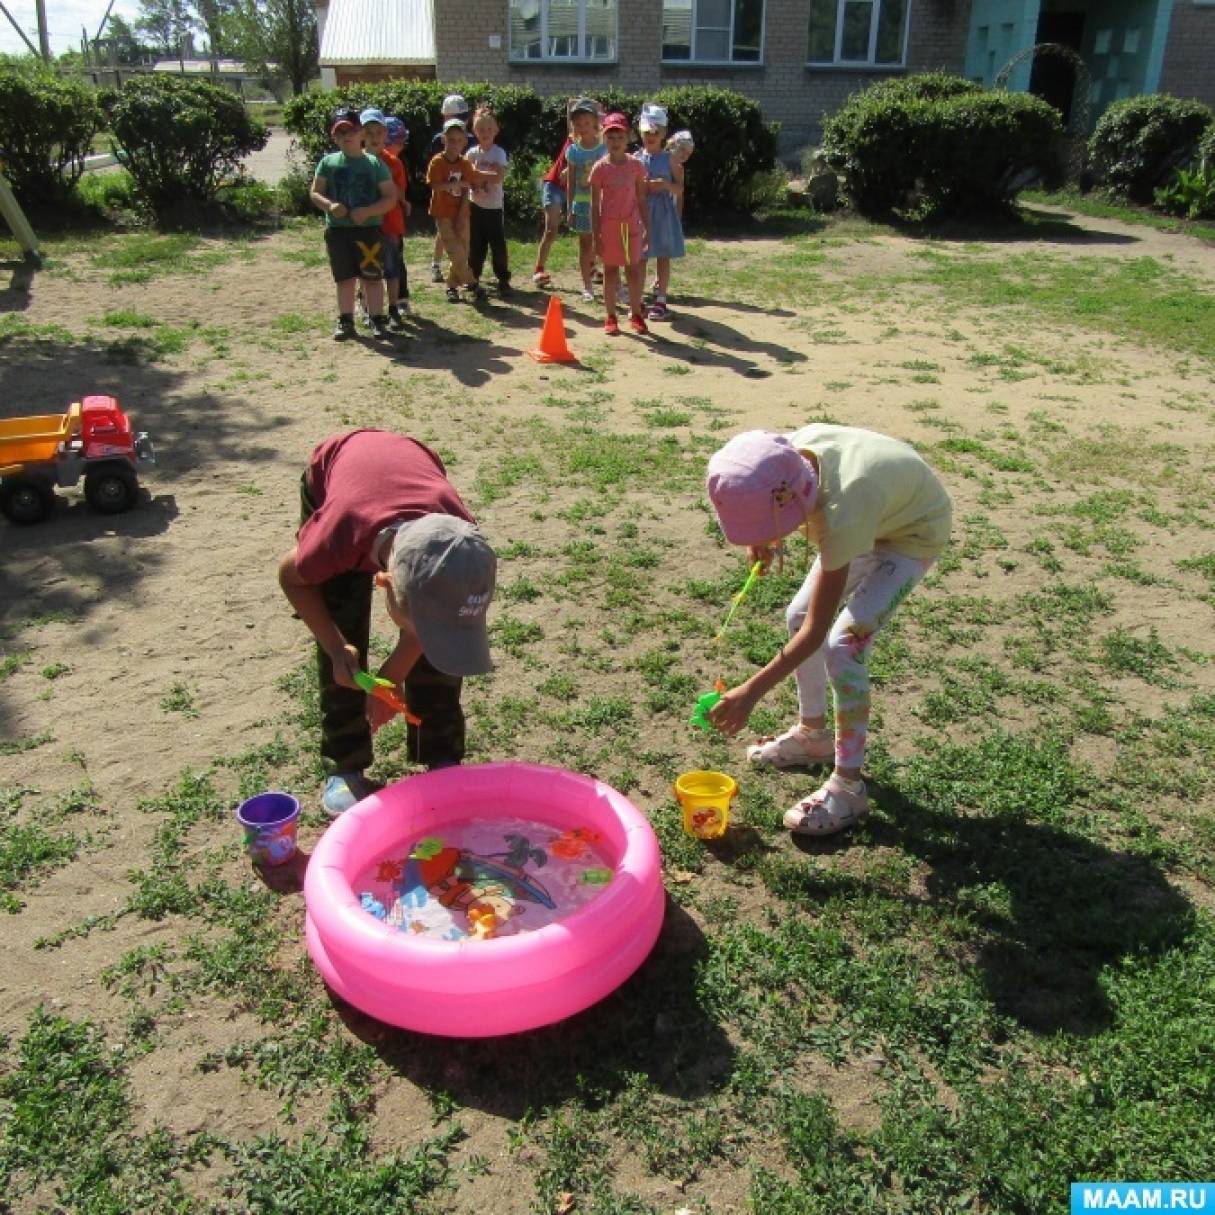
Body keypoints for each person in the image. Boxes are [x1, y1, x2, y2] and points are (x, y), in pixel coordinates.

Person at [703, 425, 952, 837]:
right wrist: (762, 534)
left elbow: (819, 632)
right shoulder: (787, 459)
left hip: (911, 533)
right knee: (796, 615)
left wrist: (750, 692)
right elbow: (806, 618)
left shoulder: (843, 512)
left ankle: (849, 786)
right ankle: (812, 735)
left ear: (792, 502)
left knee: (843, 645)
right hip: (873, 515)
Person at [278, 430, 497, 816]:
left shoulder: (461, 547)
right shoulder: (336, 537)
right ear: (383, 582)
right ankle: (345, 764)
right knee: (344, 643)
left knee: (440, 642)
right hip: (342, 485)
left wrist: (394, 673)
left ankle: (441, 756)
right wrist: (333, 645)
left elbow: (425, 623)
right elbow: (290, 577)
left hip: (414, 477)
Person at [309, 108, 398, 342]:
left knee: (372, 277)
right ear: (334, 136)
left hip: (368, 231)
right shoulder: (328, 163)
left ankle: (377, 319)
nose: (346, 135)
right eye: (341, 132)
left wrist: (368, 211)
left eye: (351, 130)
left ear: (362, 133)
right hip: (338, 231)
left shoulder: (374, 164)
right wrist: (330, 206)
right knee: (345, 278)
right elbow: (315, 193)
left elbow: (390, 197)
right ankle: (346, 320)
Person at [588, 112, 649, 336]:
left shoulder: (636, 166)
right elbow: (594, 206)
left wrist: (648, 228)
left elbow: (642, 198)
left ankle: (635, 313)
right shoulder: (600, 168)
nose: (615, 142)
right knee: (611, 272)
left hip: (631, 225)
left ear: (628, 139)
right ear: (604, 139)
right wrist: (596, 235)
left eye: (619, 137)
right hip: (609, 227)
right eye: (610, 137)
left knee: (633, 271)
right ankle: (611, 315)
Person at [426, 118, 496, 303]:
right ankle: (472, 282)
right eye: (451, 140)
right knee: (454, 249)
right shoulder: (437, 162)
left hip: (461, 212)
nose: (455, 144)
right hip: (442, 212)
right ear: (443, 140)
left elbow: (471, 183)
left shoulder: (465, 163)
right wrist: (456, 183)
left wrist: (494, 176)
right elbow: (435, 185)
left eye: (459, 140)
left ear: (465, 141)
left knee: (463, 250)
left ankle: (451, 286)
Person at [359, 108, 409, 332]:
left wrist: (382, 172)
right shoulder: (355, 161)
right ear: (361, 135)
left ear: (385, 134)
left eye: (379, 132)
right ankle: (368, 309)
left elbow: (400, 193)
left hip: (389, 224)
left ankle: (393, 309)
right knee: (367, 268)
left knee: (392, 268)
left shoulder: (394, 163)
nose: (375, 137)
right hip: (364, 225)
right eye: (369, 132)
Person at [634, 103, 685, 321]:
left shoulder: (670, 159)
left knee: (663, 255)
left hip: (663, 213)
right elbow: (631, 186)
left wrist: (664, 184)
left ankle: (661, 299)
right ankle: (638, 298)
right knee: (641, 256)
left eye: (655, 132)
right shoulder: (635, 158)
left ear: (663, 134)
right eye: (646, 132)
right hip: (642, 212)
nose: (650, 136)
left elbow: (680, 188)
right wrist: (644, 187)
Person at [465, 106, 511, 298]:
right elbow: (467, 176)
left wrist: (478, 175)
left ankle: (503, 278)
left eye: (488, 129)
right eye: (480, 129)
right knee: (476, 245)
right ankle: (473, 277)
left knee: (497, 245)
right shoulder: (471, 153)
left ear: (496, 131)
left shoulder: (498, 153)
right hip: (474, 205)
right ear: (475, 131)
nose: (485, 133)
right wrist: (478, 177)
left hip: (493, 207)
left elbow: (498, 177)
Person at [564, 98, 605, 302]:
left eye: (587, 123)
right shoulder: (573, 151)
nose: (583, 128)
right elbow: (571, 180)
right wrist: (570, 207)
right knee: (585, 244)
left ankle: (613, 283)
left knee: (604, 245)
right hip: (581, 203)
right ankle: (587, 286)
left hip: (602, 204)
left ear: (595, 124)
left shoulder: (603, 149)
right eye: (578, 124)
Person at [429, 93, 470, 283]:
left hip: (459, 200)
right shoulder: (439, 141)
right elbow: (434, 179)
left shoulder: (466, 138)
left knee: (458, 239)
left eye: (462, 118)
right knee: (445, 235)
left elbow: (469, 171)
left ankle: (457, 277)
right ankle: (437, 264)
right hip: (443, 202)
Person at [533, 128, 570, 286]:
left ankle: (591, 268)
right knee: (551, 231)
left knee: (589, 231)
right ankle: (539, 269)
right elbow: (572, 106)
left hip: (575, 189)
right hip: (554, 186)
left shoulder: (599, 145)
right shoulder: (574, 137)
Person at [384, 115, 412, 318]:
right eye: (398, 141)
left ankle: (401, 299)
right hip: (373, 222)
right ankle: (365, 302)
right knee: (369, 264)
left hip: (393, 221)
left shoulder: (395, 163)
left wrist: (404, 203)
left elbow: (400, 192)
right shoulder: (367, 159)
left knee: (396, 262)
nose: (401, 145)